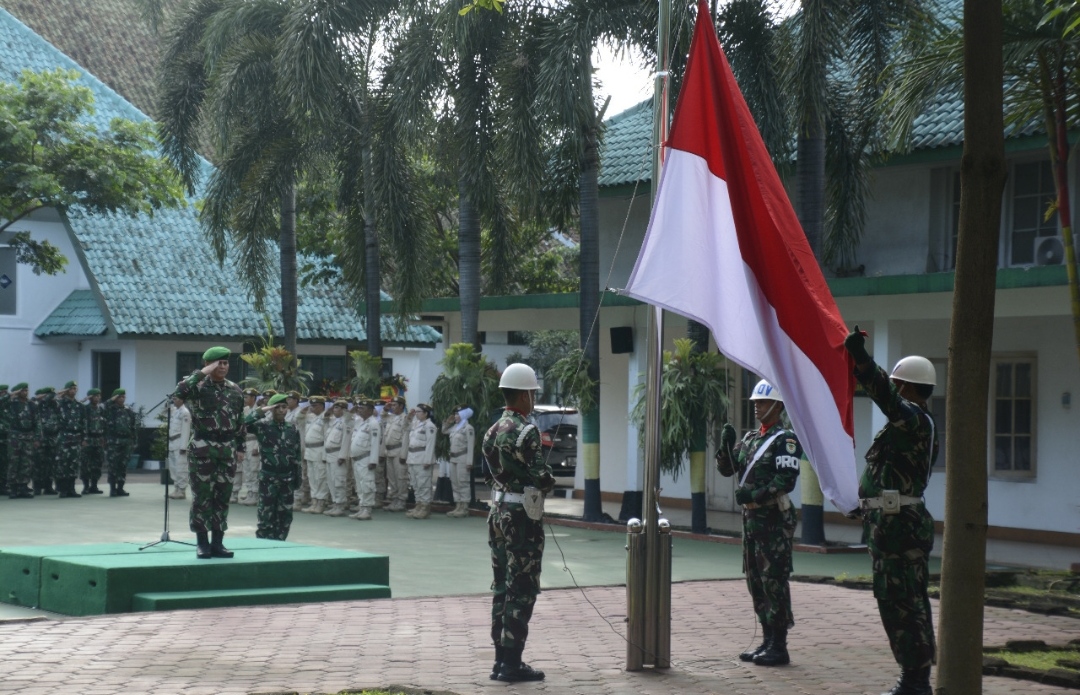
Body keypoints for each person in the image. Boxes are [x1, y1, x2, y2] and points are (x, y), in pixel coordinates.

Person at [845, 327, 938, 695]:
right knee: (900, 601)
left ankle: (915, 681)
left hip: (901, 529)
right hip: (890, 527)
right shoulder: (909, 425)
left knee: (903, 604)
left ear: (908, 388)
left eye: (898, 383)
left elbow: (885, 398)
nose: (894, 389)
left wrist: (863, 362)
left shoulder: (915, 421)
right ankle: (914, 678)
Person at [714, 379, 801, 667]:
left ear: (776, 406)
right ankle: (766, 640)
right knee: (756, 581)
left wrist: (754, 493)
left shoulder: (785, 439)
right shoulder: (751, 438)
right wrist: (724, 447)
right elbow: (729, 469)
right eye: (754, 402)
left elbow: (786, 480)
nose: (756, 406)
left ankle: (779, 645)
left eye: (761, 402)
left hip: (773, 520)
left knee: (774, 580)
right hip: (751, 520)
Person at [483, 363, 554, 683]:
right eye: (533, 394)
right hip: (521, 518)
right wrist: (545, 478)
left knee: (501, 586)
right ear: (525, 394)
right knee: (522, 587)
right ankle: (512, 662)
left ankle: (500, 659)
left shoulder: (492, 430)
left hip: (497, 512)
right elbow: (542, 478)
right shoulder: (526, 431)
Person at [173, 346, 246, 560]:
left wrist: (240, 446)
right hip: (203, 447)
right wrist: (202, 373)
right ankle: (202, 543)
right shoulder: (198, 386)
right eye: (218, 363)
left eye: (225, 363)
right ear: (208, 364)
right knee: (202, 497)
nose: (222, 367)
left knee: (222, 497)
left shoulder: (235, 389)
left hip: (227, 449)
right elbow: (179, 393)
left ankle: (218, 543)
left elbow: (240, 420)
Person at [244, 393, 302, 540]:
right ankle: (263, 545)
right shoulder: (263, 426)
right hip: (269, 477)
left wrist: (297, 478)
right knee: (266, 515)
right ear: (272, 409)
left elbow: (296, 455)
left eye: (284, 407)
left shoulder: (292, 429)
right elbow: (244, 423)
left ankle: (281, 544)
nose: (282, 410)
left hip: (287, 479)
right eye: (278, 407)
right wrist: (263, 409)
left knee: (285, 517)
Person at [348, 397, 381, 520]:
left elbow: (375, 443)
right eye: (359, 408)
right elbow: (347, 420)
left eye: (362, 408)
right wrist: (352, 411)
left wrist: (373, 460)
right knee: (360, 485)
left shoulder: (373, 423)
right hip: (357, 459)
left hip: (366, 459)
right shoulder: (360, 421)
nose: (359, 410)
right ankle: (362, 507)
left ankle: (367, 509)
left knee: (367, 484)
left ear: (371, 410)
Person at [5, 383, 38, 499]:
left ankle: (23, 487)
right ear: (18, 392)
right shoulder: (11, 404)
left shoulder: (31, 405)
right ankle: (13, 488)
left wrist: (37, 437)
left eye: (26, 390)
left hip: (28, 436)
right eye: (23, 391)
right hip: (15, 436)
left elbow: (37, 422)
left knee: (26, 463)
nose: (25, 393)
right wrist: (10, 395)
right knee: (14, 462)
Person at [103, 388, 137, 498]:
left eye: (123, 397)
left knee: (123, 466)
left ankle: (120, 488)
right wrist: (112, 398)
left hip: (126, 441)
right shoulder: (110, 409)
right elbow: (105, 405)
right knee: (113, 466)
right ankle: (113, 488)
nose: (122, 399)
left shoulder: (128, 411)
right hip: (114, 441)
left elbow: (133, 427)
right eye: (119, 397)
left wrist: (134, 441)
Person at [405, 403, 437, 519]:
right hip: (413, 458)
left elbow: (430, 444)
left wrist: (428, 460)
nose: (416, 414)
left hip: (422, 458)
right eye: (416, 411)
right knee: (415, 484)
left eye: (419, 412)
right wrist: (409, 416)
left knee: (424, 484)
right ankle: (418, 505)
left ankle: (425, 507)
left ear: (426, 413)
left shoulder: (429, 426)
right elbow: (405, 427)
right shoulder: (416, 424)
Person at [441, 405, 475, 518]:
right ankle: (458, 505)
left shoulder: (468, 428)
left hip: (463, 458)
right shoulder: (455, 427)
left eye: (457, 414)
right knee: (455, 483)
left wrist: (469, 462)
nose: (455, 416)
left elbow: (470, 446)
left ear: (463, 415)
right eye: (455, 414)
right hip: (453, 458)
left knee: (463, 482)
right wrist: (447, 422)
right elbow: (443, 430)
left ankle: (464, 507)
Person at [55, 381, 86, 498]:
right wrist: (62, 392)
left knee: (74, 463)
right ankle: (63, 489)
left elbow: (84, 422)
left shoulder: (79, 406)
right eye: (71, 388)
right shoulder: (60, 403)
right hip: (64, 436)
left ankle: (71, 489)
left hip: (76, 437)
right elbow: (50, 400)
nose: (73, 390)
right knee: (63, 463)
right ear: (67, 390)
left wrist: (84, 438)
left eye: (75, 388)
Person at [300, 396, 330, 514]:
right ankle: (314, 502)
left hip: (319, 450)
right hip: (309, 450)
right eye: (311, 405)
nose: (312, 408)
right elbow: (298, 419)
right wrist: (304, 410)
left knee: (320, 478)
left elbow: (327, 437)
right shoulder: (309, 417)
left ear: (322, 406)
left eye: (315, 405)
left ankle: (321, 503)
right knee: (311, 477)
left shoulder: (326, 418)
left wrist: (324, 455)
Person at [381, 396, 409, 512]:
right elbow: (382, 417)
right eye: (391, 405)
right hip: (389, 451)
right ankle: (394, 499)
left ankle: (401, 500)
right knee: (391, 477)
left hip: (398, 452)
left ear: (401, 406)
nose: (392, 407)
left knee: (401, 477)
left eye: (394, 405)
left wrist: (403, 455)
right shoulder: (391, 418)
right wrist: (385, 409)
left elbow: (406, 438)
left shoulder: (405, 419)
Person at [322, 399, 350, 517]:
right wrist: (324, 455)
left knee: (339, 480)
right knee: (331, 481)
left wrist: (343, 455)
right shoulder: (333, 422)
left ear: (344, 410)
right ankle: (335, 503)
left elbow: (346, 440)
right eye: (334, 408)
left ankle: (340, 505)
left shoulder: (346, 422)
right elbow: (326, 439)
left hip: (338, 454)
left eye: (337, 408)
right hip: (329, 454)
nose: (334, 410)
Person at [34, 387, 60, 495]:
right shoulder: (37, 405)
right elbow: (45, 399)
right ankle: (37, 488)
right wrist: (50, 394)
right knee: (39, 464)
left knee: (51, 464)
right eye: (49, 395)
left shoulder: (54, 406)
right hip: (41, 438)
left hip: (52, 438)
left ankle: (48, 486)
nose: (52, 397)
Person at [236, 388, 260, 504]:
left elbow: (259, 430)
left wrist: (257, 446)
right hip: (245, 441)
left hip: (254, 441)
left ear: (253, 398)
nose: (244, 399)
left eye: (247, 397)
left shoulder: (259, 411)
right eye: (244, 397)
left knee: (254, 469)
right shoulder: (245, 410)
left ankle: (255, 494)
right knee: (247, 469)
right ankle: (250, 492)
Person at [81, 388, 106, 494]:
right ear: (90, 398)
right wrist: (84, 439)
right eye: (95, 396)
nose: (97, 398)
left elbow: (105, 424)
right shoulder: (85, 409)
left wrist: (104, 438)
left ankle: (94, 486)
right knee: (86, 464)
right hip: (88, 439)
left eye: (98, 396)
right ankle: (86, 486)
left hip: (98, 439)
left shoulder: (101, 410)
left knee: (97, 463)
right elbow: (82, 424)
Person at [167, 395, 192, 500]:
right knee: (173, 467)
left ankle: (181, 490)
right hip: (172, 441)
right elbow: (164, 412)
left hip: (179, 441)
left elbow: (186, 430)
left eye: (175, 399)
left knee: (181, 467)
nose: (173, 401)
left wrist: (184, 446)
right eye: (173, 399)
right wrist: (167, 402)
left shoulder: (185, 412)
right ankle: (176, 488)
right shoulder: (174, 411)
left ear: (182, 400)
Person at [0, 384, 9, 497]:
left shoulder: (9, 406)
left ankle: (3, 486)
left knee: (5, 464)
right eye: (3, 392)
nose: (5, 395)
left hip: (6, 439)